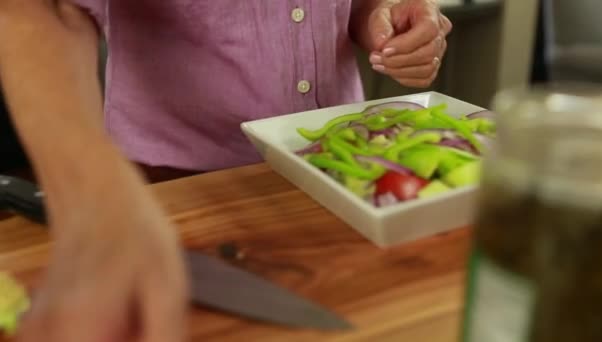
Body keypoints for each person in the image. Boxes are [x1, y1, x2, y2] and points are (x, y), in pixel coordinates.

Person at [0, 1, 451, 341]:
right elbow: (46, 10)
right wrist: (87, 192)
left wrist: (382, 15)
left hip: (334, 177)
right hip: (171, 190)